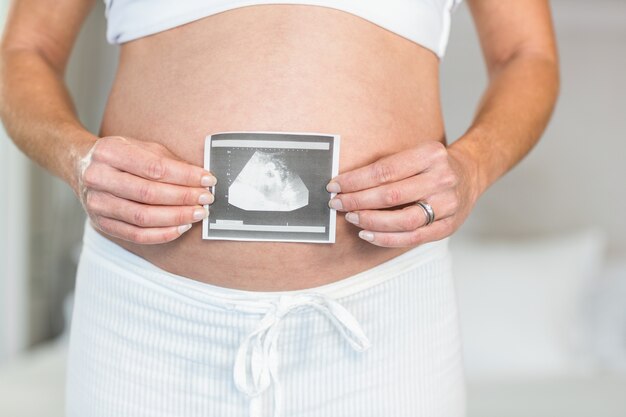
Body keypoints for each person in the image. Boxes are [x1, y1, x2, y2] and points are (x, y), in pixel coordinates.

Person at [0, 0, 559, 416]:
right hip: (146, 322)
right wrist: (76, 156)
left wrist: (475, 165)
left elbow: (526, 55)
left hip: (384, 325)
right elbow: (27, 50)